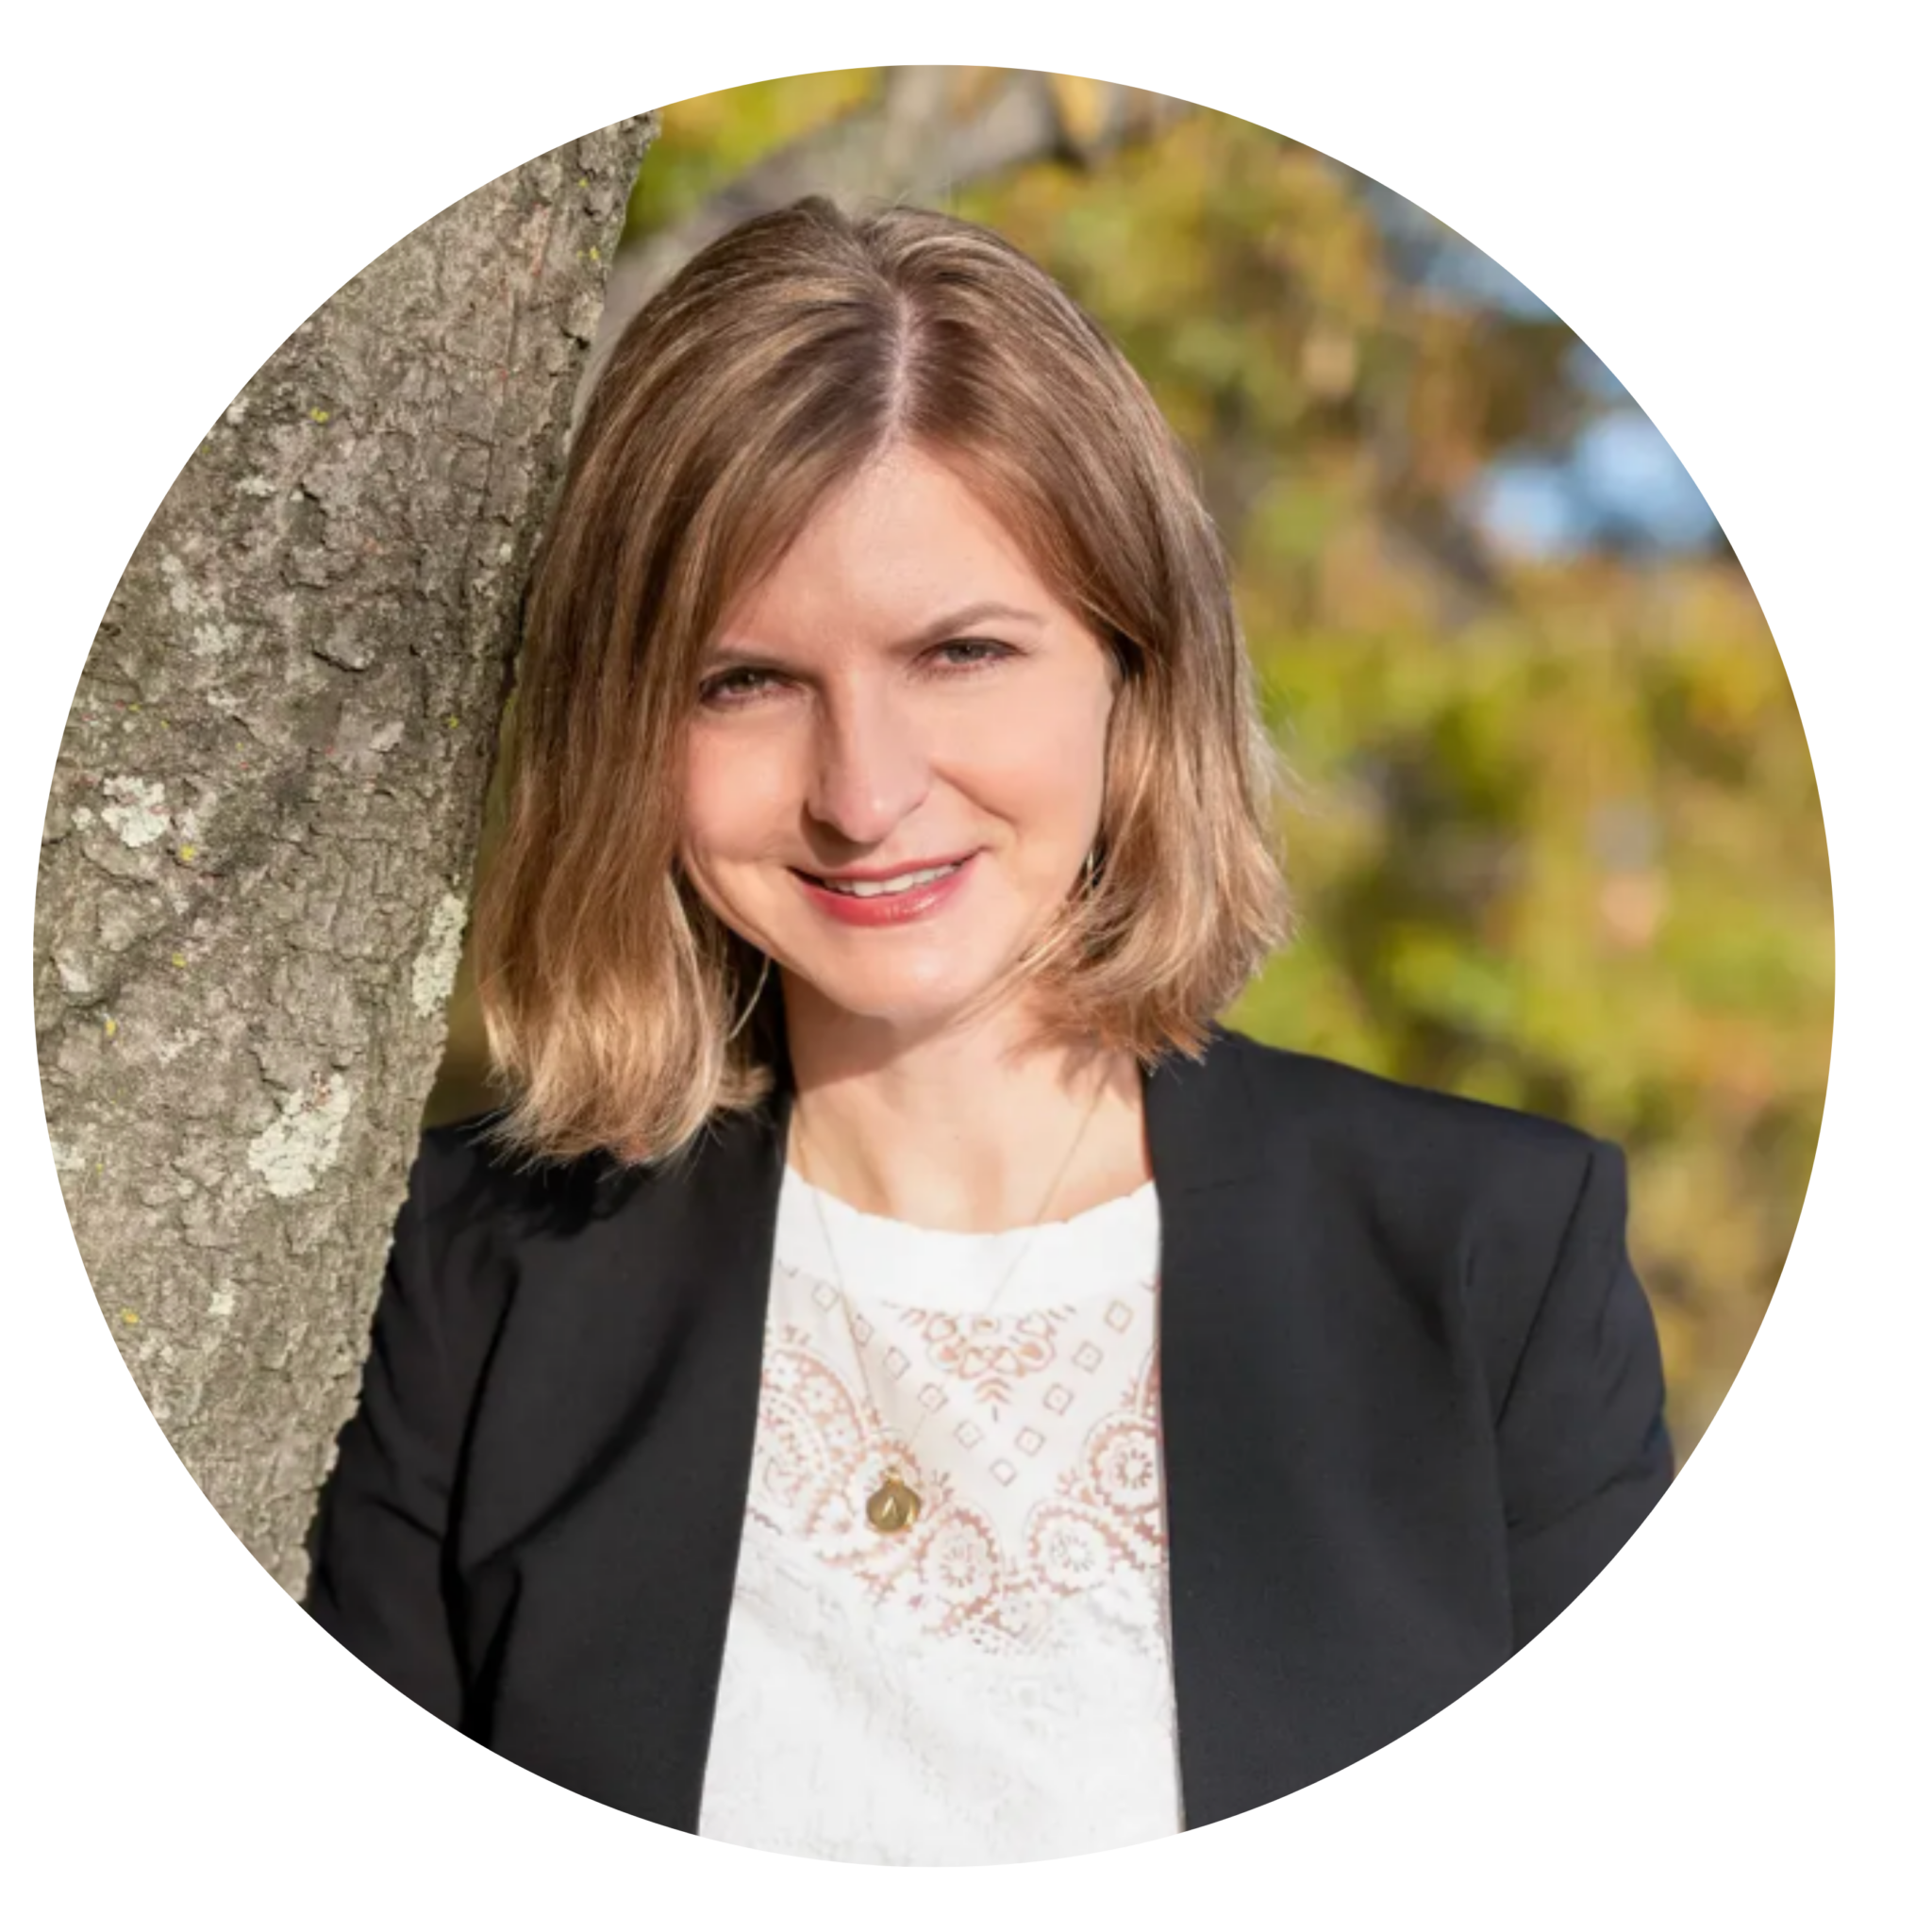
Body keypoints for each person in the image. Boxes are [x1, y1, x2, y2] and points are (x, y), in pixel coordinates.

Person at [304, 195, 1673, 1865]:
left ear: (1134, 664)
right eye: (744, 681)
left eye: (960, 652)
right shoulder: (448, 1278)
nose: (864, 793)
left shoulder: (1489, 1256)